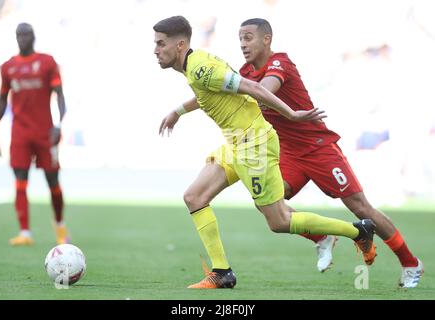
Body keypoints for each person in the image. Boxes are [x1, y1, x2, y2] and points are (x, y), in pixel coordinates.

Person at [155, 15, 376, 289]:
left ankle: (358, 230)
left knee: (279, 221)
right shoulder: (195, 65)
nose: (156, 50)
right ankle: (222, 272)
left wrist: (292, 114)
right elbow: (206, 94)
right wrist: (177, 112)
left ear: (179, 45)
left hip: (254, 143)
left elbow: (253, 88)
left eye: (161, 44)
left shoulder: (200, 68)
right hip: (237, 142)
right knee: (194, 196)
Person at [237, 18, 423, 288]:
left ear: (266, 39)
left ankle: (410, 263)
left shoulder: (280, 63)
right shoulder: (245, 71)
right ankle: (321, 237)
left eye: (248, 37)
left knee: (361, 208)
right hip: (290, 154)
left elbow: (264, 92)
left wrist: (235, 88)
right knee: (266, 202)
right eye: (240, 38)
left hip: (318, 148)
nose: (243, 44)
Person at [0, 23, 69, 246]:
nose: (22, 39)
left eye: (26, 35)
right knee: (20, 180)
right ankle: (25, 233)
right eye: (19, 35)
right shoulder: (8, 67)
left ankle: (60, 226)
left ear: (33, 37)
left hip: (45, 132)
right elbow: (1, 99)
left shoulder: (47, 62)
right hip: (20, 134)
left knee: (52, 180)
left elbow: (60, 95)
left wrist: (59, 124)